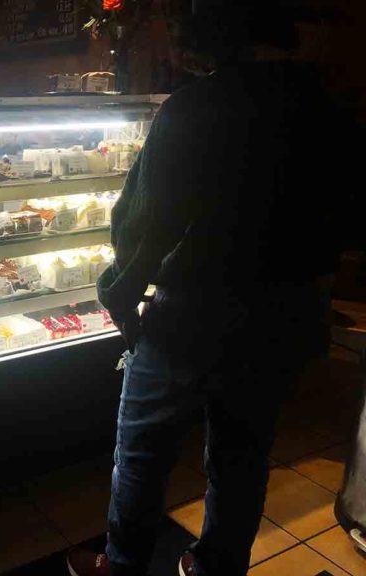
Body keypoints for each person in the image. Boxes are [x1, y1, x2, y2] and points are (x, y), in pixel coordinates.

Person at [67, 2, 354, 576]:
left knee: (142, 452)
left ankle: (121, 565)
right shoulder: (330, 107)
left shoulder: (196, 106)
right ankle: (216, 566)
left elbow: (144, 224)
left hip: (191, 317)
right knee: (241, 457)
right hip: (284, 315)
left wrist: (118, 294)